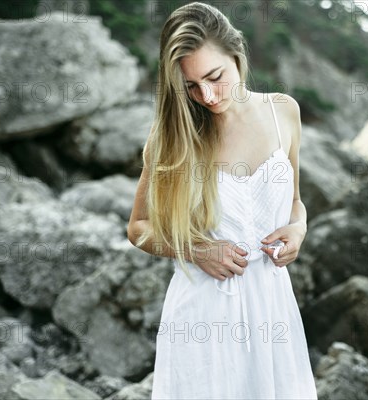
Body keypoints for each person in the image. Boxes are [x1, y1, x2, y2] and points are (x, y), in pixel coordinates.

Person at [127, 2, 318, 399]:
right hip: (203, 317)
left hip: (274, 310)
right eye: (192, 86)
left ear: (237, 55)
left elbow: (295, 202)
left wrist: (298, 229)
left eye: (215, 76)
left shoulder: (284, 113)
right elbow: (138, 228)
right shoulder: (173, 138)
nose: (208, 96)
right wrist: (196, 249)